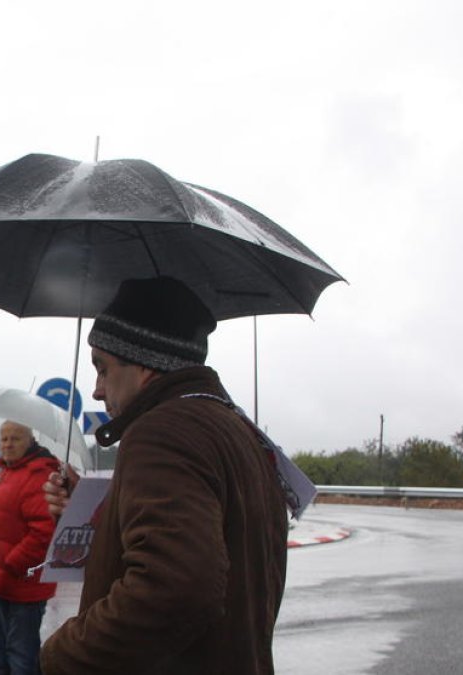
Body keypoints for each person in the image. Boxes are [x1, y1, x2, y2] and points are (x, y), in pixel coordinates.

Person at [39, 277, 289, 675]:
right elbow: (211, 546)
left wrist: (63, 653)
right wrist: (88, 517)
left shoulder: (161, 432)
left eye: (103, 368)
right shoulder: (235, 430)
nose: (98, 390)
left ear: (142, 365)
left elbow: (177, 588)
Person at [0, 420, 59, 675]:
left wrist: (10, 564)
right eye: (4, 438)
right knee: (5, 649)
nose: (7, 444)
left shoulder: (38, 474)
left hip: (22, 582)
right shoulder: (5, 472)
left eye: (15, 438)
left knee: (21, 655)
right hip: (1, 578)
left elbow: (44, 532)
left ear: (30, 441)